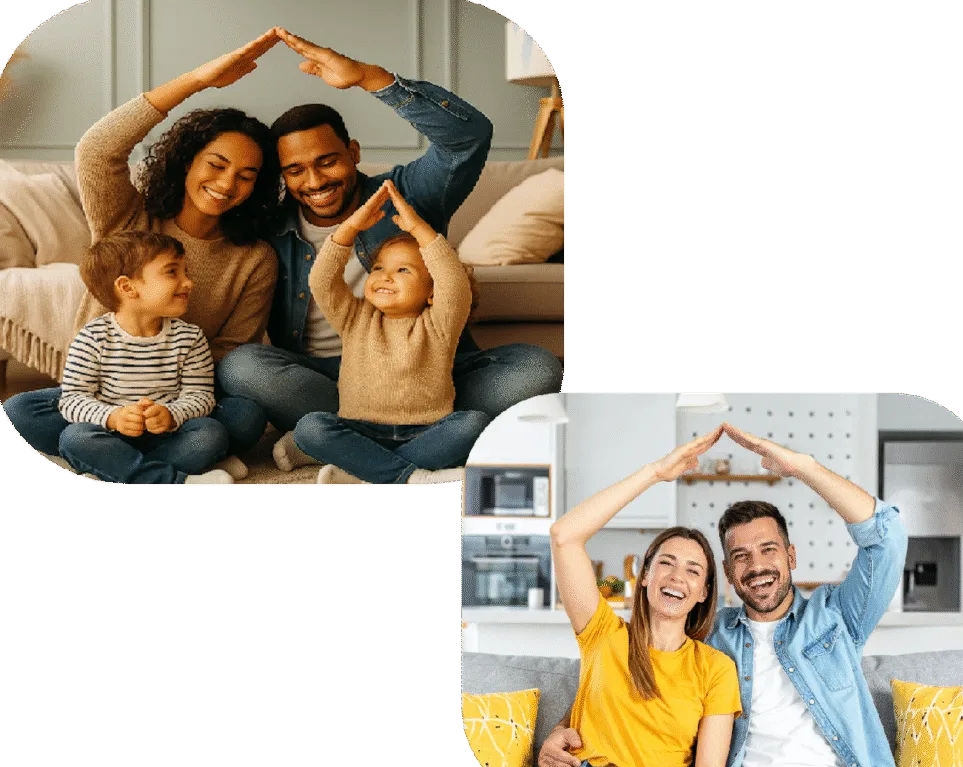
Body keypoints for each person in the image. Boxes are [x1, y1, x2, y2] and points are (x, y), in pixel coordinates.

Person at [214, 28, 564, 474]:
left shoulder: (403, 194)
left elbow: (468, 136)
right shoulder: (270, 224)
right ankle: (388, 442)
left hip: (428, 370)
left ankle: (340, 446)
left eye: (327, 161)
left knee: (536, 368)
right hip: (330, 378)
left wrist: (368, 77)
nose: (315, 181)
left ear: (353, 152)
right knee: (243, 367)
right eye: (296, 171)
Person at [538, 423, 909, 767]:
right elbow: (620, 683)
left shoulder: (838, 617)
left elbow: (888, 537)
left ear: (791, 556)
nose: (757, 565)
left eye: (769, 549)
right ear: (728, 575)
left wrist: (805, 468)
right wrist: (560, 729)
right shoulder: (713, 638)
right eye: (740, 556)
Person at [2, 30, 283, 476]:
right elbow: (96, 150)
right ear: (188, 160)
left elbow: (231, 351)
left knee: (244, 418)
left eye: (247, 176)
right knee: (20, 411)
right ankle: (172, 467)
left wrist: (165, 404)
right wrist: (197, 80)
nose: (228, 183)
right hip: (103, 398)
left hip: (180, 402)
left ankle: (116, 460)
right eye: (216, 164)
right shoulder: (129, 221)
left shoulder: (254, 258)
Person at [536, 425, 742, 767]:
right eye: (666, 563)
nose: (677, 576)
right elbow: (565, 535)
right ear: (645, 576)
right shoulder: (602, 633)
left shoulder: (715, 669)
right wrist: (656, 473)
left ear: (703, 593)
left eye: (693, 570)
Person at [291, 180, 489, 484]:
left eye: (403, 270)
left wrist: (419, 229)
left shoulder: (440, 323)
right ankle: (409, 475)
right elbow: (321, 280)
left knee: (473, 424)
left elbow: (453, 282)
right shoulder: (355, 317)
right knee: (310, 428)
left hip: (426, 431)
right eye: (379, 268)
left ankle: (365, 470)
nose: (385, 277)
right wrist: (350, 227)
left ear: (432, 292)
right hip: (358, 428)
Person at [56, 231, 234, 485]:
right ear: (128, 287)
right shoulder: (92, 338)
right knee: (75, 438)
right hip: (113, 435)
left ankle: (116, 471)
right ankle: (179, 481)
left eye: (186, 272)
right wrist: (114, 417)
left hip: (169, 435)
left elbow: (201, 396)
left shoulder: (190, 337)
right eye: (172, 272)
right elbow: (72, 400)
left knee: (210, 434)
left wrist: (171, 414)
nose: (188, 282)